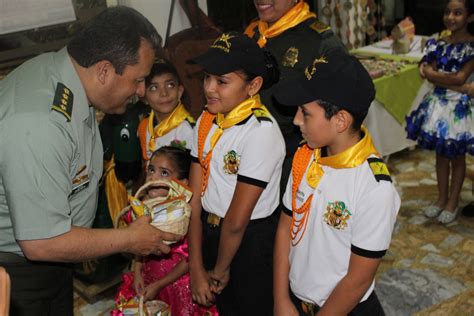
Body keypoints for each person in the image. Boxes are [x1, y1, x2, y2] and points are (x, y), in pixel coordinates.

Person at [0, 7, 181, 315]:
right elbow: (41, 241)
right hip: (19, 273)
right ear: (104, 71)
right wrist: (129, 240)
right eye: (138, 80)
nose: (141, 91)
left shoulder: (62, 75)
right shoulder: (39, 122)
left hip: (53, 260)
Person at [272, 52, 400, 315]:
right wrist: (281, 299)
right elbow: (286, 227)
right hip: (296, 302)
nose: (296, 121)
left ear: (340, 120)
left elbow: (357, 280)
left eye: (305, 114)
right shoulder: (305, 157)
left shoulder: (373, 187)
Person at [187, 32, 285, 315]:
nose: (209, 88)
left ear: (253, 85)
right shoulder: (207, 120)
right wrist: (196, 266)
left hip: (250, 243)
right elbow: (194, 198)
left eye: (222, 81)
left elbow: (237, 222)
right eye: (207, 77)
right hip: (210, 230)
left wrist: (219, 269)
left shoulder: (260, 133)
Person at [244, 0, 346, 193]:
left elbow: (338, 115)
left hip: (293, 162)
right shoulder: (252, 33)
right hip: (249, 151)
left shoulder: (319, 42)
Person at [114, 145, 218, 316]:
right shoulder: (141, 208)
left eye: (164, 173)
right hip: (148, 278)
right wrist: (138, 270)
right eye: (151, 170)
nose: (154, 177)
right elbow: (137, 244)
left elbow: (189, 258)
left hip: (175, 286)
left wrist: (160, 285)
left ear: (182, 183)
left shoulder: (183, 216)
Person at [406, 0, 474, 224]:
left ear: (470, 17)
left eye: (458, 13)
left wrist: (438, 77)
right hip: (438, 107)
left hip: (459, 110)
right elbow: (426, 71)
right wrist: (451, 81)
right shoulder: (437, 43)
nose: (451, 17)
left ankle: (453, 202)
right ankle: (441, 198)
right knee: (441, 156)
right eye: (447, 12)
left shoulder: (471, 46)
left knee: (457, 157)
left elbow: (459, 77)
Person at [137, 61, 195, 162]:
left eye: (170, 85)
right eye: (154, 88)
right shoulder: (144, 126)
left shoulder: (188, 130)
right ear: (144, 98)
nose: (164, 93)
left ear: (180, 91)